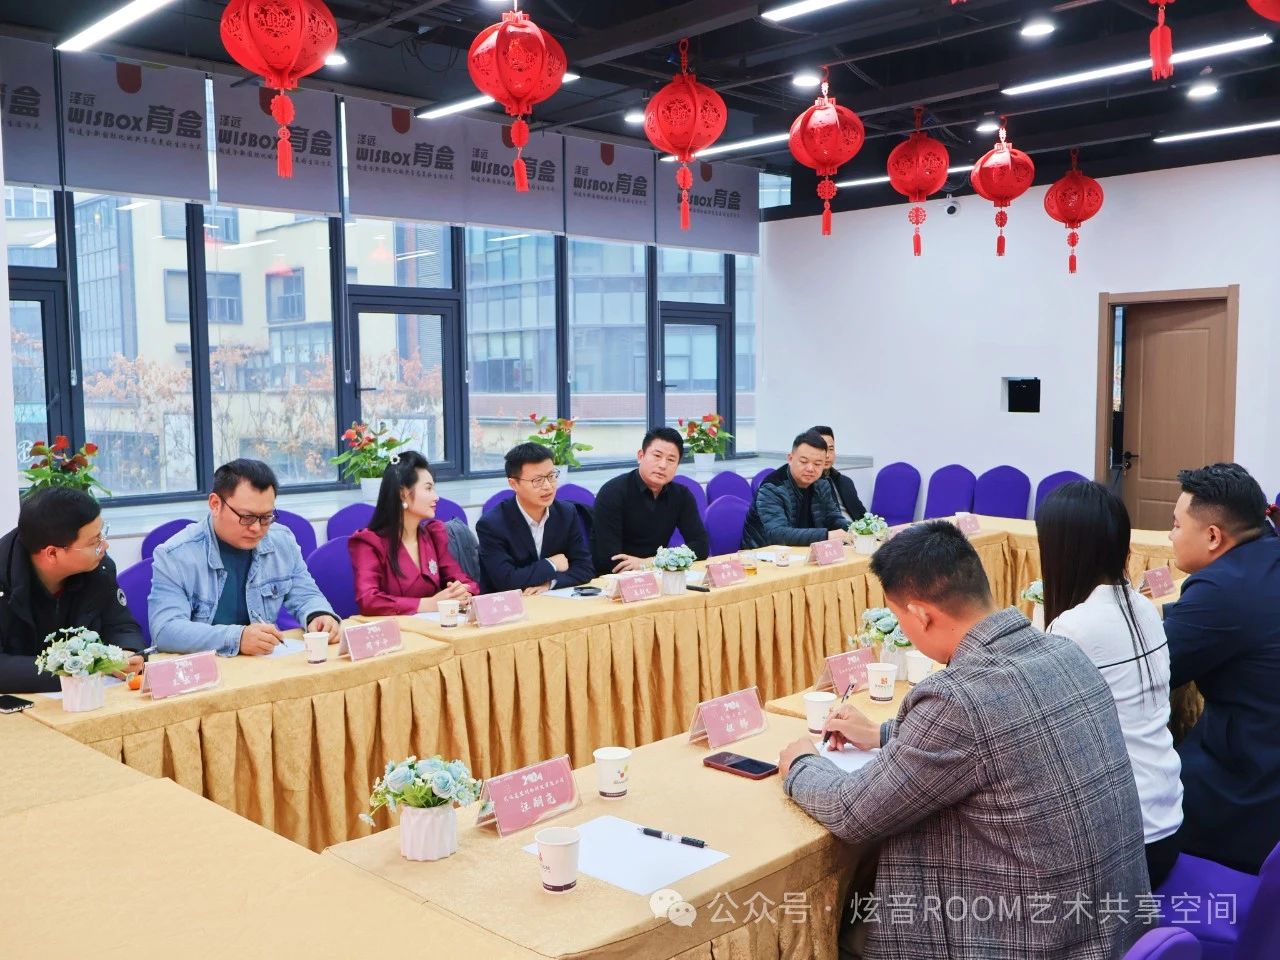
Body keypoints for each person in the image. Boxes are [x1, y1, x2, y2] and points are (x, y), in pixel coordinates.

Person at [779, 522, 1148, 959]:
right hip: (1107, 929)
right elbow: (1004, 737)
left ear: (920, 615)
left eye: (899, 619)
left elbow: (852, 811)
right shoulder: (1064, 652)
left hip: (1029, 939)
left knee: (837, 928)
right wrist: (881, 733)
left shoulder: (957, 698)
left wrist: (801, 761)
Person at [1037, 480, 1183, 887]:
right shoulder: (1143, 608)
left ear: (1061, 551)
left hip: (1126, 847)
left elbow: (1039, 737)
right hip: (1166, 819)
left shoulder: (1075, 626)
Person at [1162, 462, 1280, 875]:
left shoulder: (1221, 587)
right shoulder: (1268, 551)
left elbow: (1154, 668)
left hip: (1251, 781)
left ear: (1213, 536)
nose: (1170, 535)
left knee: (1136, 798)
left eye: (1176, 525)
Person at [150, 459, 340, 656]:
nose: (257, 528)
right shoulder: (174, 556)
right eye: (247, 517)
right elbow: (165, 630)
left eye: (266, 517)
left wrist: (319, 615)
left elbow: (306, 595)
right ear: (215, 504)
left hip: (262, 664)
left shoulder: (282, 541)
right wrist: (237, 638)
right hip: (202, 667)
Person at [0, 487, 144, 693]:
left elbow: (121, 626)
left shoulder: (99, 568)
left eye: (102, 534)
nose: (104, 546)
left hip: (86, 695)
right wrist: (80, 669)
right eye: (94, 541)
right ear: (52, 553)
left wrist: (127, 652)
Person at [349, 451, 478, 615]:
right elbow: (368, 600)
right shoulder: (369, 542)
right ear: (403, 493)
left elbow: (462, 580)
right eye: (428, 488)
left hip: (433, 627)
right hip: (395, 628)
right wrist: (429, 604)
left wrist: (462, 592)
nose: (436, 497)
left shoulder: (433, 534)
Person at [476, 443, 593, 595]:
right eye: (537, 480)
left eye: (551, 476)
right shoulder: (491, 524)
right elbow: (506, 581)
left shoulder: (566, 513)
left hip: (553, 600)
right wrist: (551, 564)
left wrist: (550, 583)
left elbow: (585, 568)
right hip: (510, 604)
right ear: (514, 484)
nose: (548, 486)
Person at [592, 427, 708, 574]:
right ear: (641, 456)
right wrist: (658, 563)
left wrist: (650, 562)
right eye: (657, 456)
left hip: (657, 573)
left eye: (671, 460)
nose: (663, 465)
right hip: (614, 579)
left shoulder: (681, 495)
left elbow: (701, 546)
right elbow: (609, 560)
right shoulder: (612, 493)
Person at [741, 430, 849, 549]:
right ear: (790, 458)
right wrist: (827, 535)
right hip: (763, 554)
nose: (810, 468)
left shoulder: (822, 483)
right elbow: (777, 534)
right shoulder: (772, 487)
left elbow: (833, 518)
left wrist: (855, 529)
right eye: (804, 462)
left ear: (824, 464)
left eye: (817, 464)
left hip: (805, 552)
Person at [811, 425, 867, 523]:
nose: (827, 455)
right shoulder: (807, 484)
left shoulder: (845, 482)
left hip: (856, 531)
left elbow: (863, 516)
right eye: (822, 449)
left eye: (831, 449)